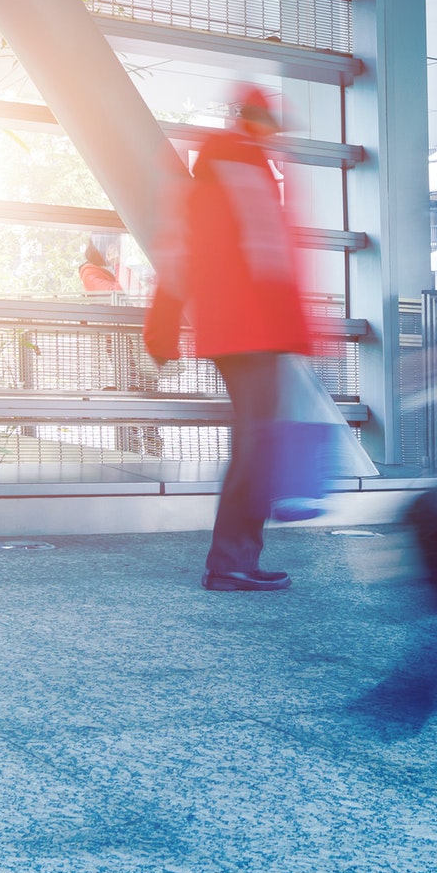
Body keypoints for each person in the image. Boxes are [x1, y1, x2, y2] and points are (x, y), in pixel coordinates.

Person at [144, 85, 311, 592]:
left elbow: (183, 253)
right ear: (257, 121)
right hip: (250, 330)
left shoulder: (230, 167)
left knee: (256, 441)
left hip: (240, 330)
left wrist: (164, 326)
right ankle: (231, 561)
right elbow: (268, 258)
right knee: (257, 443)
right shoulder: (240, 167)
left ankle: (237, 557)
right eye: (268, 122)